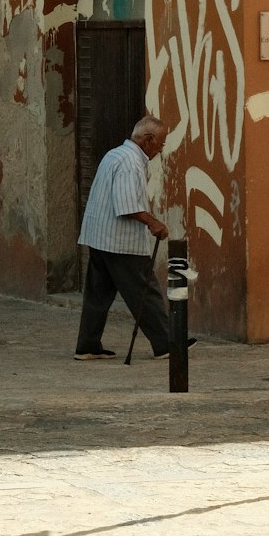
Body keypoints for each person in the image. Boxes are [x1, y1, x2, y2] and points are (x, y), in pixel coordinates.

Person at [74, 115, 193, 362]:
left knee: (97, 294)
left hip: (98, 236)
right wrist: (154, 223)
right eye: (160, 143)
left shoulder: (115, 154)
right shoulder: (130, 162)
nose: (161, 149)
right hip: (119, 241)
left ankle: (87, 345)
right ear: (148, 140)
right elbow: (127, 206)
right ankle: (166, 343)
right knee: (144, 291)